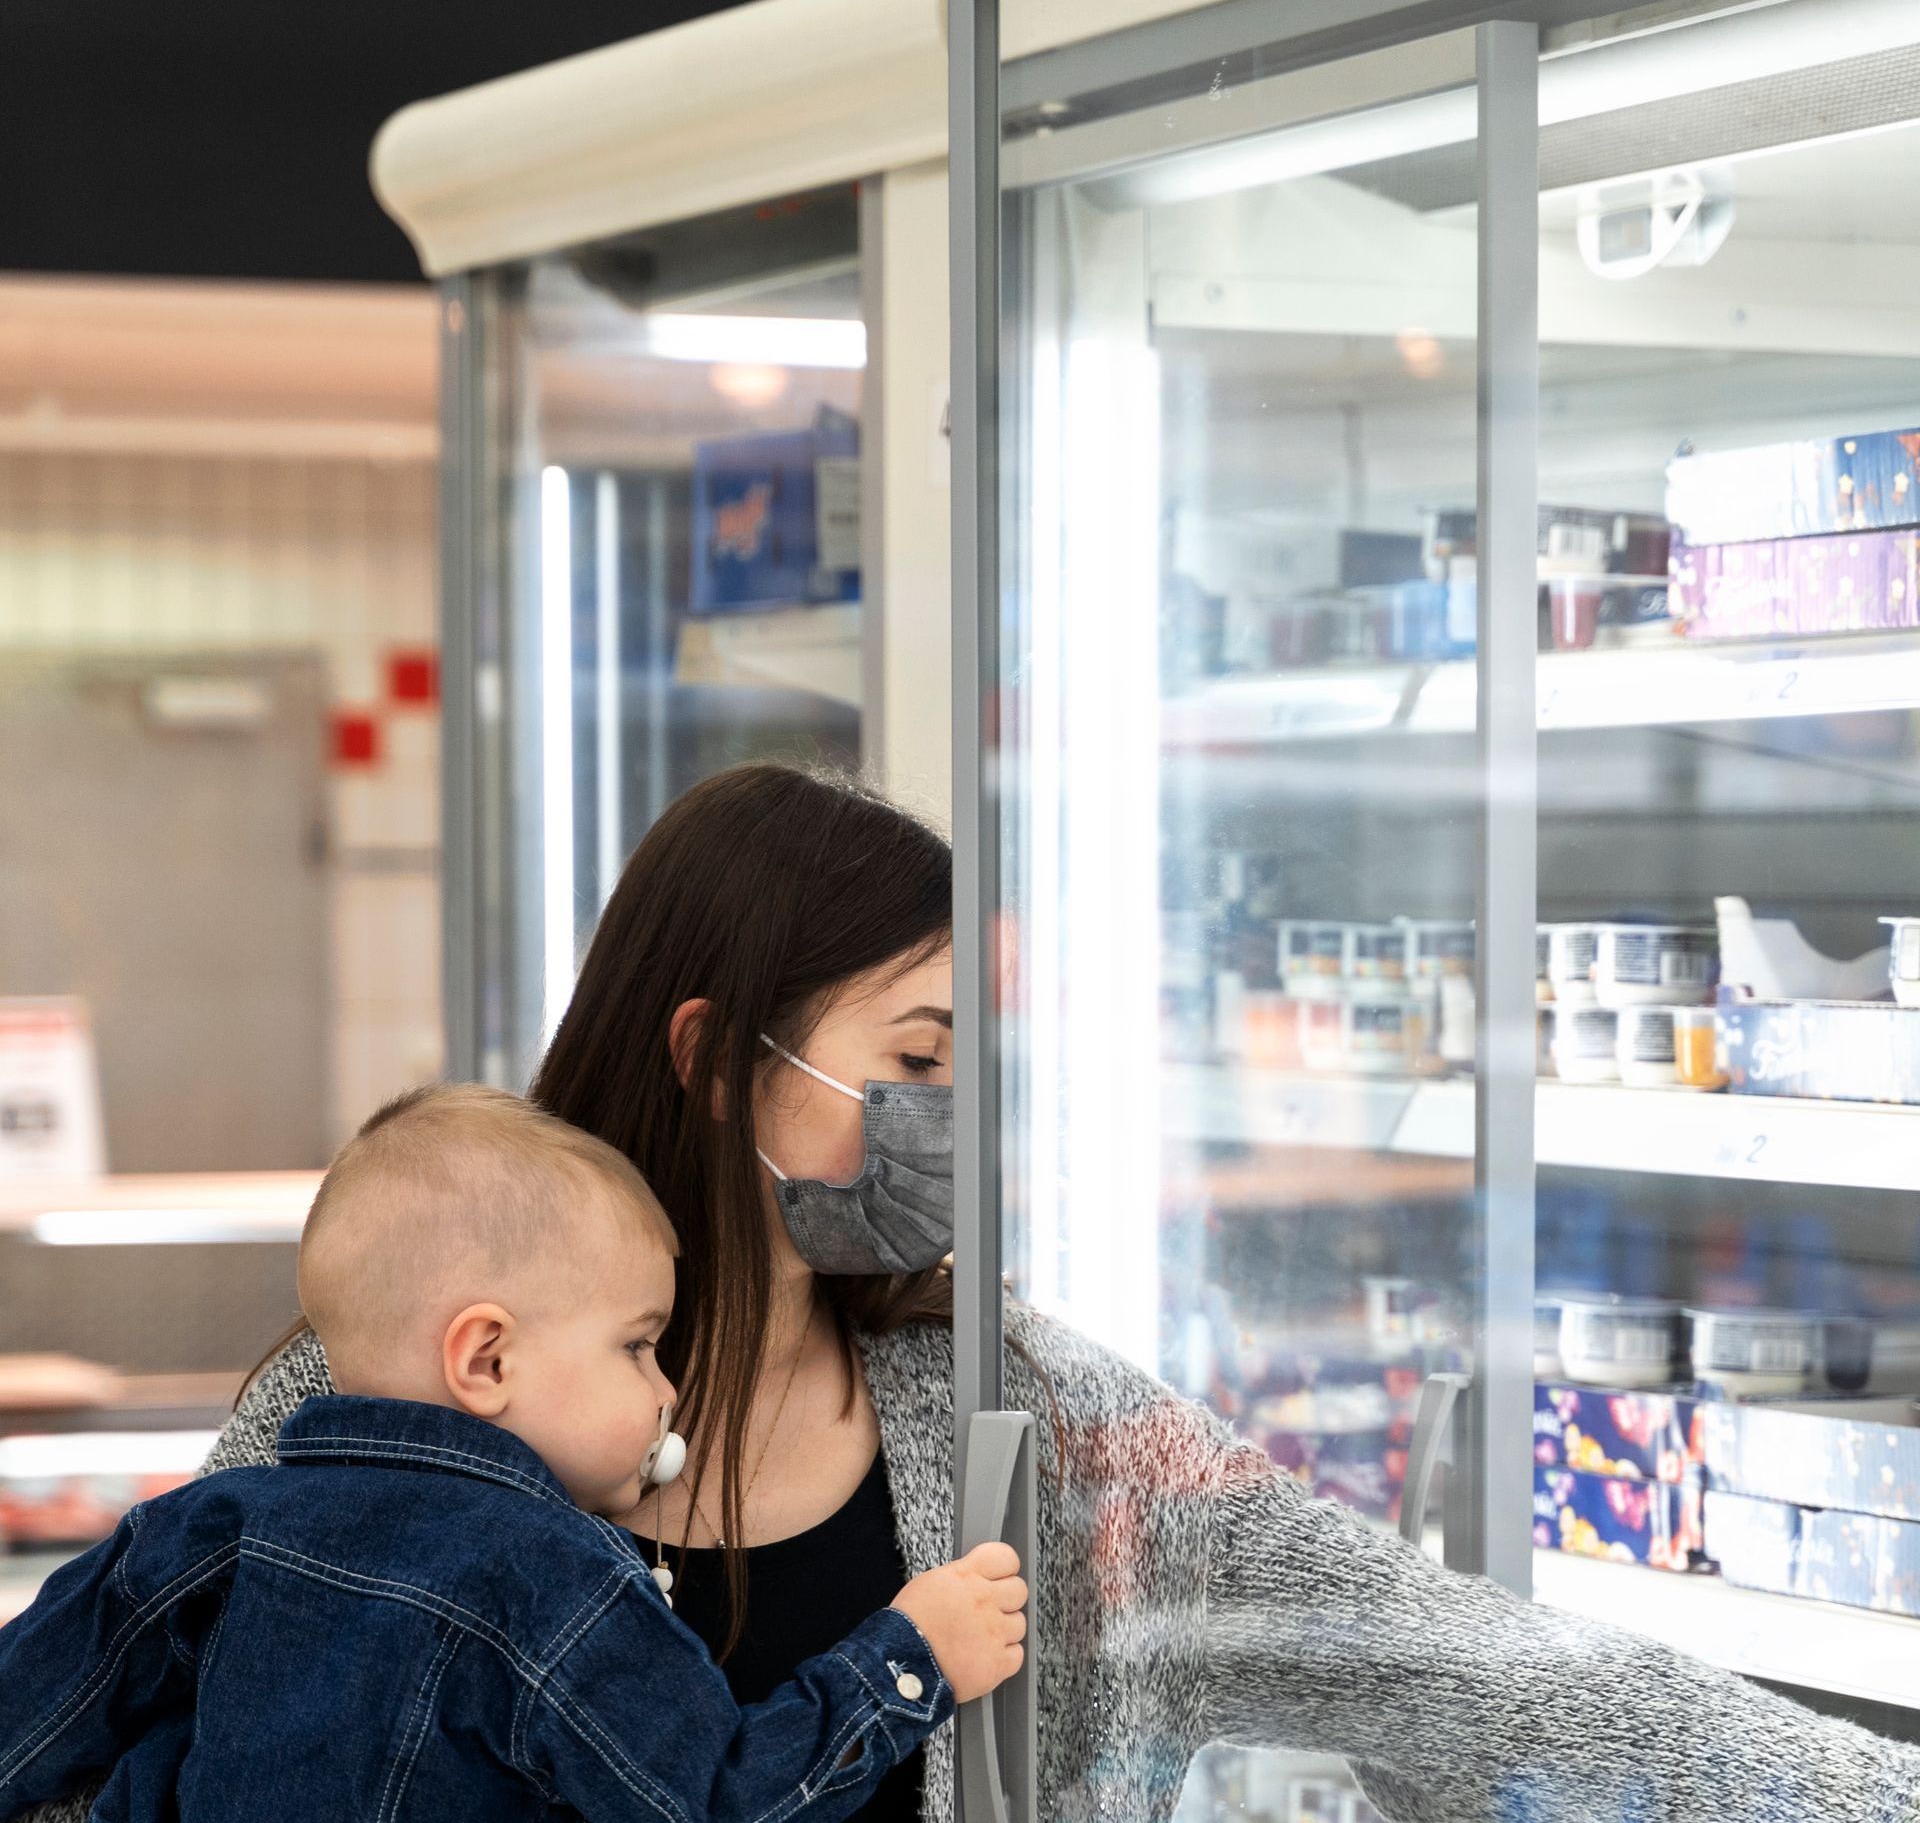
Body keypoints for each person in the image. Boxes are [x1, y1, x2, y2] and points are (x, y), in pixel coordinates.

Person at [21, 763, 1918, 1823]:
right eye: (914, 1059)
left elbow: (1440, 1650)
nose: (957, 1122)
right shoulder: (362, 1412)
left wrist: (1852, 1790)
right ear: (713, 1052)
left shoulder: (1016, 1410)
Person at [0, 1084, 1025, 1822]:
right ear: (485, 1357)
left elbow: (31, 1709)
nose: (668, 1390)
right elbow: (714, 1800)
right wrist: (910, 1656)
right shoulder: (555, 1582)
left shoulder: (214, 1524)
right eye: (637, 1345)